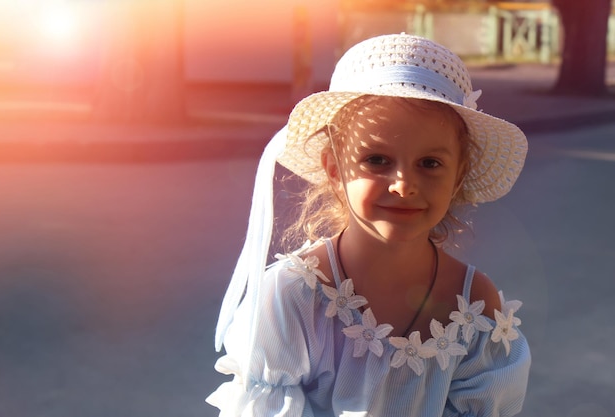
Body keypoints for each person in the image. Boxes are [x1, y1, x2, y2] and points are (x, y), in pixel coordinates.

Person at [206, 33, 531, 416]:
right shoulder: (292, 297)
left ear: (458, 176)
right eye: (377, 160)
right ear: (333, 169)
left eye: (430, 163)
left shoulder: (474, 304)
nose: (404, 185)